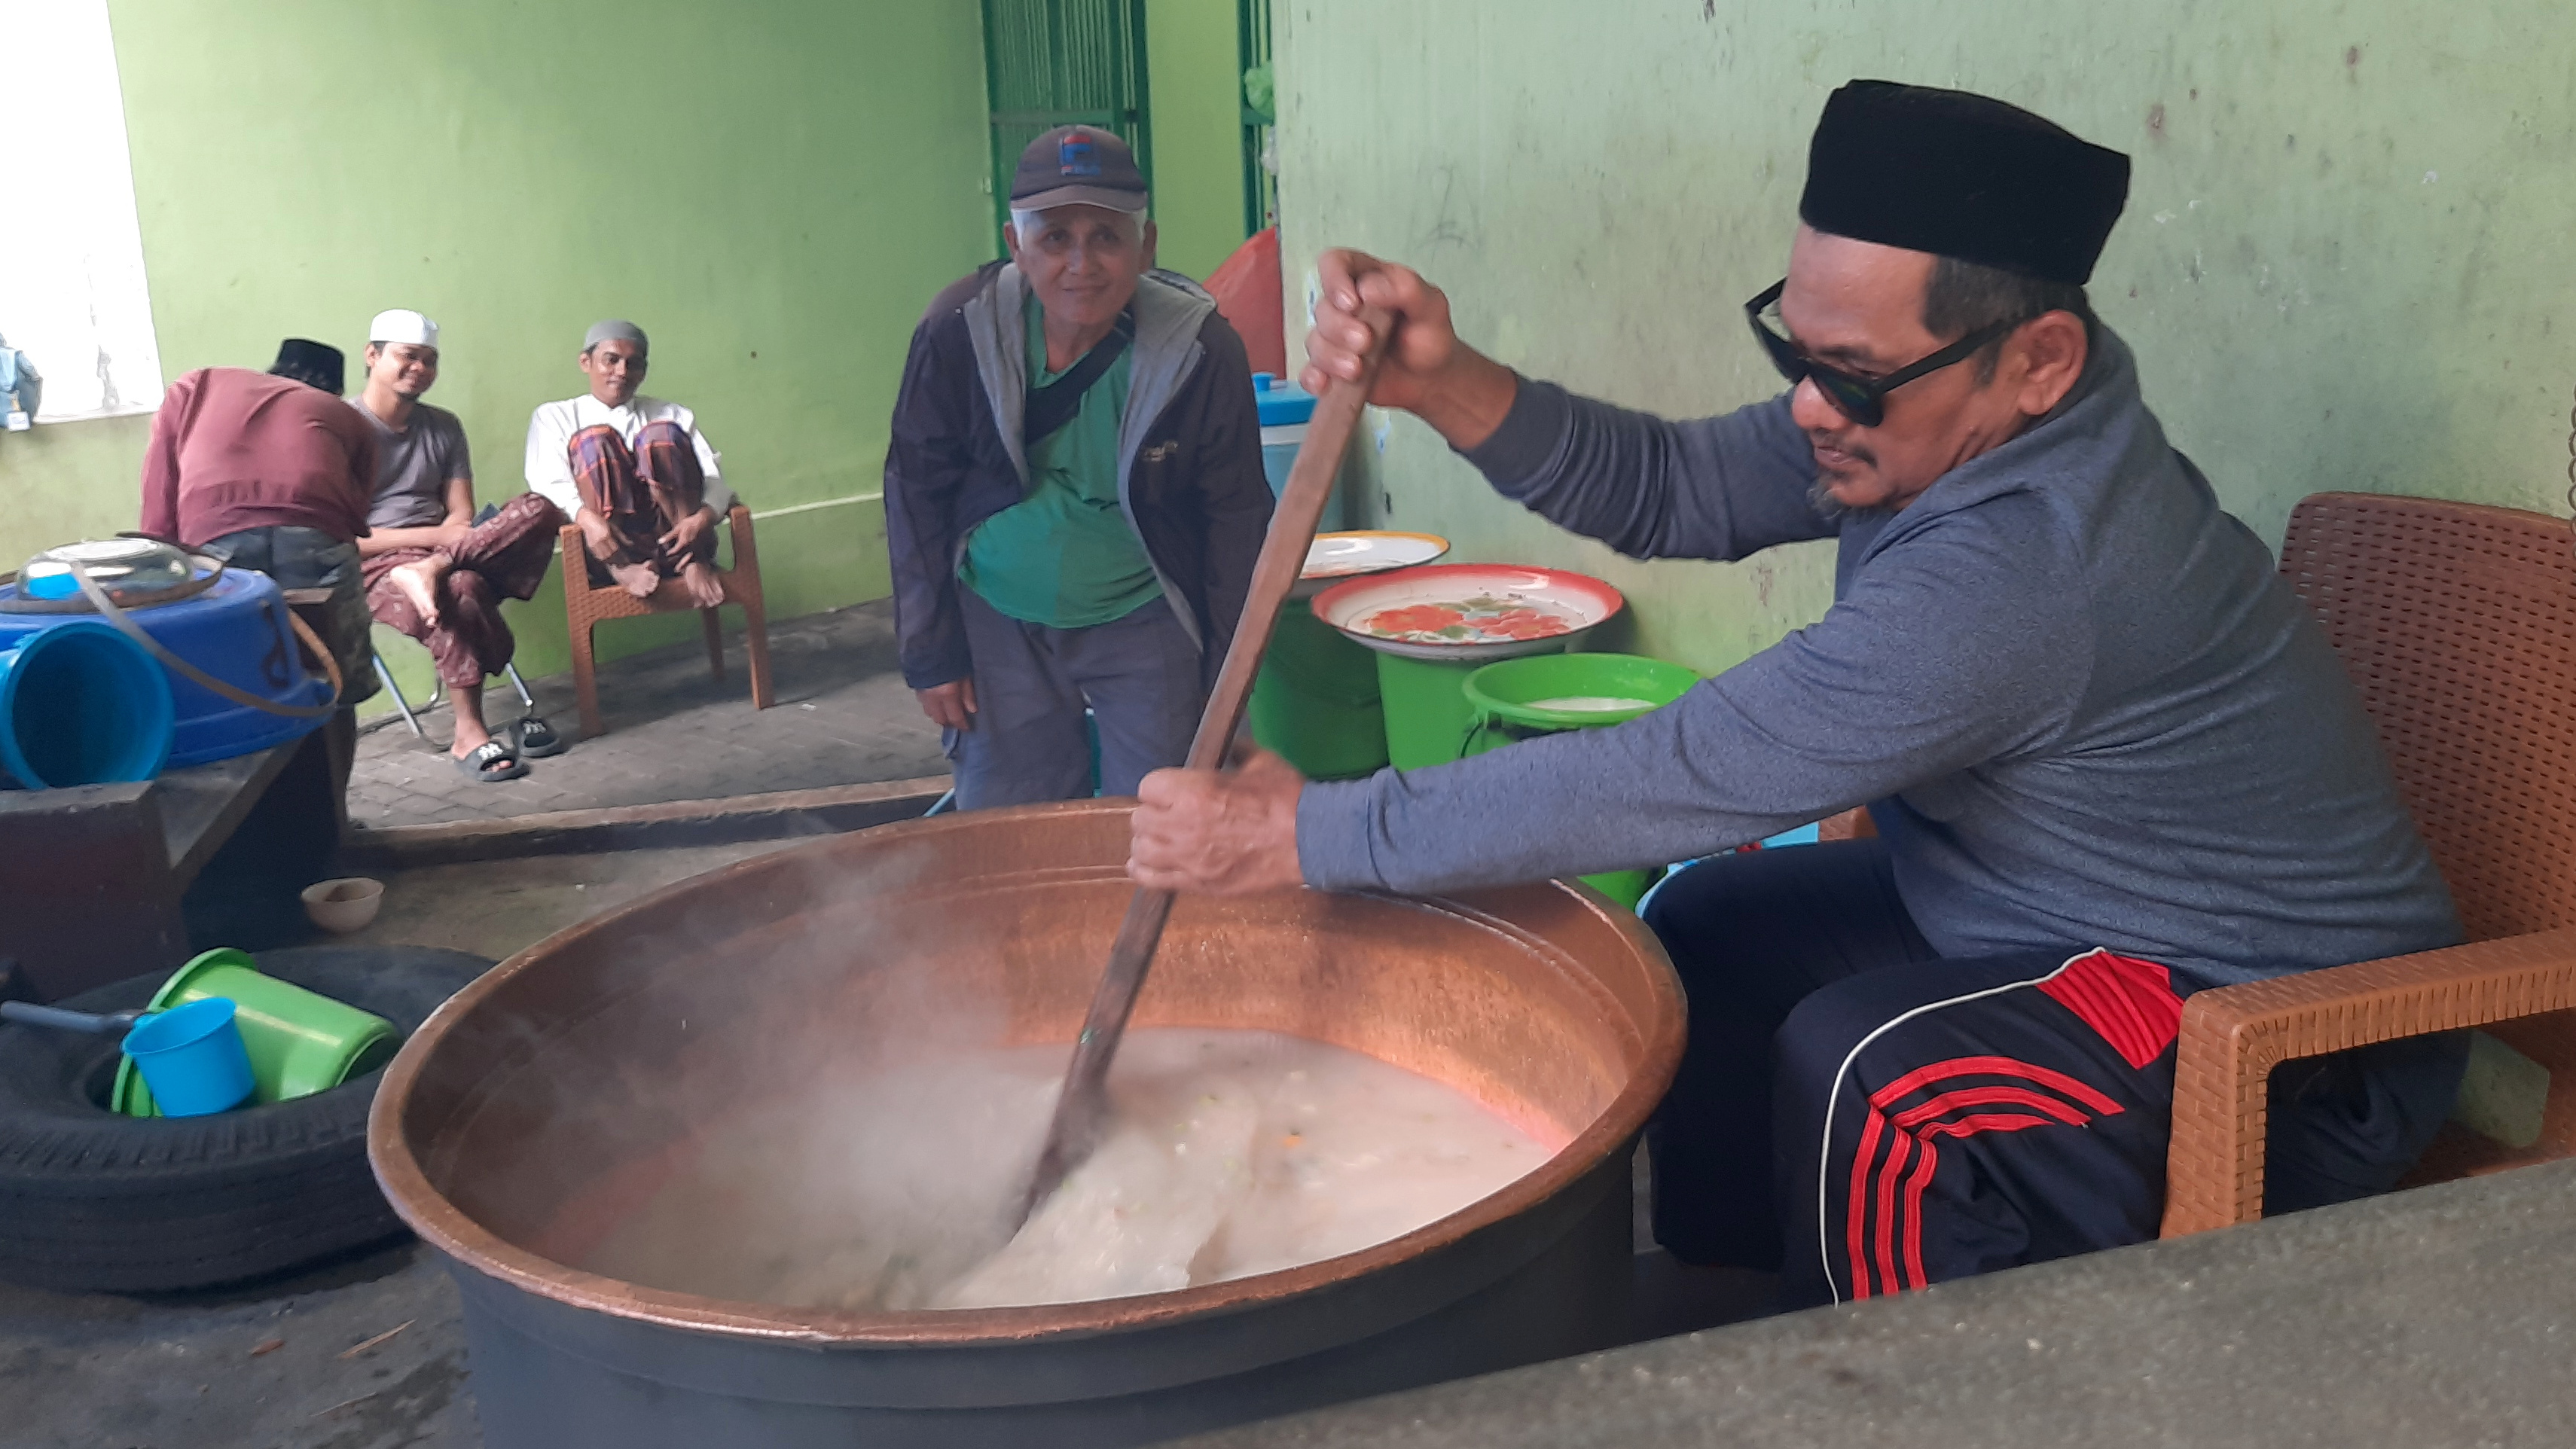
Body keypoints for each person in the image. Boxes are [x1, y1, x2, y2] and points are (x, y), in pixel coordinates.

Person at [1125, 81, 2468, 1308]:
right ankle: (1736, 1291)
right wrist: (1448, 385)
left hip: (2287, 1038)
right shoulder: (1929, 415)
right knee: (1709, 922)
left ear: (2039, 359)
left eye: (1857, 375)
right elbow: (1676, 487)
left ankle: (1853, 1384)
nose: (1816, 408)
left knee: (1880, 1087)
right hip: (2049, 929)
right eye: (1799, 351)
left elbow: (1678, 769)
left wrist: (1303, 834)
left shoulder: (2029, 570)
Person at [884, 125, 1270, 808]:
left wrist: (1228, 677)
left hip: (1146, 619)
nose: (1081, 263)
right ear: (1016, 247)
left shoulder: (1200, 351)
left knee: (1164, 823)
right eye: (1055, 238)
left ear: (1146, 247)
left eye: (1107, 236)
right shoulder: (958, 330)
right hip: (997, 621)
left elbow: (1236, 516)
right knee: (1014, 834)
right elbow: (914, 489)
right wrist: (931, 654)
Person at [351, 309, 569, 784]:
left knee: (540, 507)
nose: (420, 369)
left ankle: (434, 572)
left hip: (452, 553)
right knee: (463, 590)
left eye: (430, 360)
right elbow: (346, 538)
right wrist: (437, 544)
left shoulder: (445, 426)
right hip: (378, 564)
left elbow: (461, 516)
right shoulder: (340, 428)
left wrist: (438, 558)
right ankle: (469, 732)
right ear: (372, 355)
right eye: (408, 356)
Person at [137, 338, 378, 703]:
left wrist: (161, 565)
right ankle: (329, 746)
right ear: (337, 390)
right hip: (315, 534)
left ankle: (253, 749)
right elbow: (357, 514)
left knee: (229, 676)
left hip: (216, 534)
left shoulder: (198, 385)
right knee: (333, 671)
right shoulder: (345, 415)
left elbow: (160, 484)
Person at [524, 320, 730, 610]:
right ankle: (620, 568)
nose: (622, 372)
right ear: (586, 362)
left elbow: (714, 477)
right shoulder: (555, 416)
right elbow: (547, 482)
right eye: (611, 360)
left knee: (662, 435)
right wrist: (587, 519)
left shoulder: (672, 414)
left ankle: (692, 560)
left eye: (633, 364)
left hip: (681, 539)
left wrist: (701, 521)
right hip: (606, 548)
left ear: (643, 372)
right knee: (595, 441)